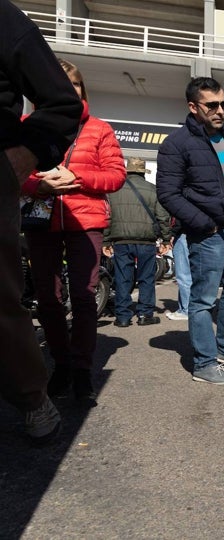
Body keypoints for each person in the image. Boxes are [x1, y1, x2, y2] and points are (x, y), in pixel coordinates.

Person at [0, 0, 82, 442]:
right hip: (38, 213)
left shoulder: (5, 19)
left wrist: (23, 162)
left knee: (13, 300)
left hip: (78, 224)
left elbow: (62, 107)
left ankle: (33, 395)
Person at [22, 58, 126, 407]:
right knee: (48, 299)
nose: (69, 92)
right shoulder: (27, 126)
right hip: (40, 220)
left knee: (84, 298)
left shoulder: (99, 129)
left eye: (75, 85)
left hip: (86, 221)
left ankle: (81, 369)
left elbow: (115, 176)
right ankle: (61, 365)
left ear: (83, 90)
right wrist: (38, 185)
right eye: (59, 85)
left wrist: (77, 179)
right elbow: (11, 173)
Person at [156, 76, 224, 385]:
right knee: (202, 300)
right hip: (208, 233)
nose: (219, 110)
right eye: (211, 105)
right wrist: (204, 224)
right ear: (193, 106)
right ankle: (203, 363)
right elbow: (168, 193)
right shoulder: (177, 144)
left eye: (223, 103)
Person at [103, 157, 171, 327]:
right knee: (146, 278)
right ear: (142, 172)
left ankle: (123, 317)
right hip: (146, 241)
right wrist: (166, 239)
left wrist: (106, 241)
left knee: (122, 277)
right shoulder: (153, 190)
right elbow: (163, 217)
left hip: (121, 240)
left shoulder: (114, 190)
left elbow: (107, 217)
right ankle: (145, 314)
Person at [165, 217, 191, 321]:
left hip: (183, 234)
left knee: (183, 275)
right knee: (191, 274)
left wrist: (172, 233)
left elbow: (179, 218)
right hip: (196, 234)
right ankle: (184, 308)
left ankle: (186, 310)